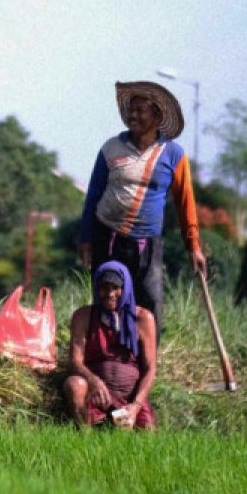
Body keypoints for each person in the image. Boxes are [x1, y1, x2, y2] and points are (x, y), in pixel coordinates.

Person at [78, 81, 206, 336]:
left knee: (150, 300)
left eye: (140, 110)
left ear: (157, 116)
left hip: (147, 242)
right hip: (108, 236)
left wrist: (194, 246)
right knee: (106, 298)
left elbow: (185, 202)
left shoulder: (173, 154)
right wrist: (86, 239)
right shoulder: (111, 148)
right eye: (130, 110)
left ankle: (147, 365)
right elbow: (93, 195)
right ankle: (107, 361)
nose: (132, 115)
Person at [64, 261, 157, 430]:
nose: (110, 294)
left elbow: (150, 368)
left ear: (126, 287)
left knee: (144, 435)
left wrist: (135, 406)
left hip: (130, 397)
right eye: (104, 288)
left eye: (116, 288)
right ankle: (85, 436)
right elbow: (74, 361)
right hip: (96, 394)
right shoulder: (83, 316)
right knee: (74, 384)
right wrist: (94, 382)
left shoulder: (143, 318)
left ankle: (123, 421)